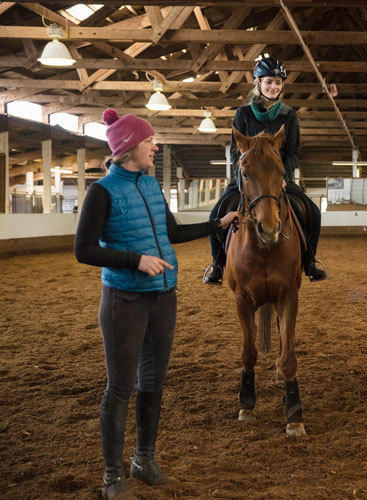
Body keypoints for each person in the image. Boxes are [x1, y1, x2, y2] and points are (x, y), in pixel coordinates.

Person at [75, 109, 238, 499]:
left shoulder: (151, 187)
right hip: (124, 300)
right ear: (130, 147)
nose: (157, 146)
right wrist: (136, 260)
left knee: (153, 383)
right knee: (120, 387)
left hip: (164, 298)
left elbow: (173, 232)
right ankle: (113, 476)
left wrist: (218, 224)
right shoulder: (101, 191)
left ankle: (144, 460)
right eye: (151, 141)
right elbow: (83, 250)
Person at [203, 56, 327, 285]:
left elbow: (292, 153)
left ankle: (310, 261)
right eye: (269, 81)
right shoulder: (243, 114)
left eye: (278, 82)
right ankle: (217, 264)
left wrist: (285, 177)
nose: (274, 87)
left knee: (313, 213)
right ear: (258, 83)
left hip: (277, 179)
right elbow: (234, 152)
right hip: (248, 180)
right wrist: (241, 180)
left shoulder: (289, 115)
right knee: (216, 214)